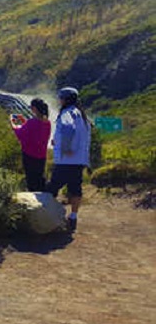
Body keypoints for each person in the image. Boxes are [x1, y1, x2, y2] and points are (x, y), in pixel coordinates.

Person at [47, 87, 91, 232]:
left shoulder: (67, 112)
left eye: (60, 98)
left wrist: (65, 147)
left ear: (65, 99)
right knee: (75, 189)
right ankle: (73, 217)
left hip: (66, 160)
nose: (59, 100)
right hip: (80, 160)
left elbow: (67, 128)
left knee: (52, 188)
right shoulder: (83, 116)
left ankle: (49, 216)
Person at [11, 98, 51, 192]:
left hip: (30, 155)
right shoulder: (47, 122)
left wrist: (14, 125)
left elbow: (20, 135)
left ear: (34, 108)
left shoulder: (32, 122)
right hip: (41, 155)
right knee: (39, 178)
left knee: (31, 180)